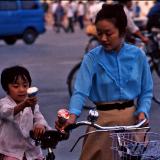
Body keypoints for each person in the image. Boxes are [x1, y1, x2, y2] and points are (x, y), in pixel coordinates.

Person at [55, 3, 153, 160]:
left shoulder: (138, 55)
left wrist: (142, 111)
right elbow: (80, 92)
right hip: (102, 123)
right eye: (99, 33)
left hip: (132, 122)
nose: (103, 38)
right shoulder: (92, 58)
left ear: (121, 31)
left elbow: (146, 91)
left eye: (108, 33)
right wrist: (73, 115)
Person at [0, 65, 50, 160]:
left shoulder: (31, 103)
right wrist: (23, 105)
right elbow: (6, 112)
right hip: (10, 151)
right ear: (7, 88)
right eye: (16, 86)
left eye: (25, 85)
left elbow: (38, 116)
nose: (21, 89)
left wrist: (40, 125)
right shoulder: (3, 103)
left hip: (31, 150)